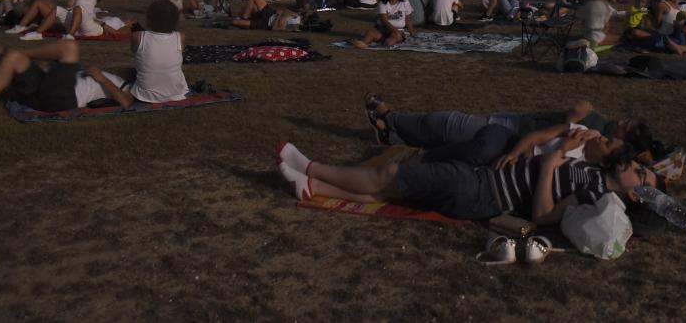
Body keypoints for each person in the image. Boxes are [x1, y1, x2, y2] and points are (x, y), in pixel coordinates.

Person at [276, 138, 660, 225]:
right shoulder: (595, 173)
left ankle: (312, 167)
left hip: (481, 192)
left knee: (389, 175)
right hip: (481, 184)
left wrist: (548, 165)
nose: (635, 166)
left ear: (635, 193)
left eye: (641, 174)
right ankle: (315, 188)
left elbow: (543, 215)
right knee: (389, 189)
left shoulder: (598, 196)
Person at [364, 95, 655, 157]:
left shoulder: (598, 141)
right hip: (520, 120)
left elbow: (549, 138)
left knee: (449, 123)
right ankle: (392, 136)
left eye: (626, 126)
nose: (622, 121)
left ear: (624, 140)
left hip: (517, 137)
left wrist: (573, 117)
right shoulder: (603, 126)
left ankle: (391, 118)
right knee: (451, 134)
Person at [0, 40, 132, 123]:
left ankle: (17, 53)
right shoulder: (114, 77)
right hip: (41, 94)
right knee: (14, 58)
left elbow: (126, 102)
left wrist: (101, 78)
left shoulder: (124, 84)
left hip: (63, 99)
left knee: (69, 46)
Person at [129, 0, 189, 103]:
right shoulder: (180, 37)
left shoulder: (138, 37)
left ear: (149, 18)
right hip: (175, 92)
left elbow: (135, 53)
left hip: (145, 94)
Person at [350, 0, 416, 48]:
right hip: (383, 29)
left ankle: (384, 44)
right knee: (370, 33)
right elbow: (385, 21)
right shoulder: (382, 3)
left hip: (398, 30)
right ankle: (362, 43)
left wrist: (411, 33)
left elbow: (409, 19)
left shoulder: (405, 2)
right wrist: (395, 31)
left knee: (394, 37)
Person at [231, 0, 299, 31]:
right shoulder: (296, 16)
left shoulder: (293, 26)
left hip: (265, 24)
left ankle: (245, 18)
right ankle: (245, 17)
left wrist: (278, 16)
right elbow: (283, 10)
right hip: (270, 13)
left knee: (234, 22)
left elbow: (274, 30)